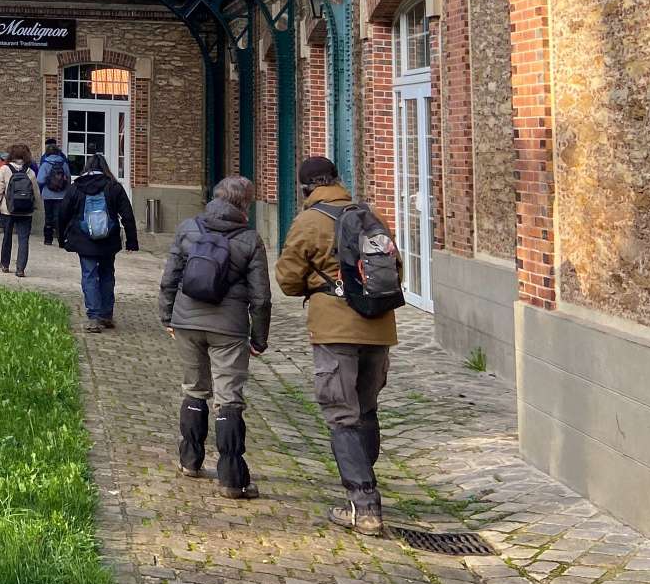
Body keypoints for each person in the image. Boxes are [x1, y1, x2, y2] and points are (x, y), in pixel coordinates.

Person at [275, 154, 399, 536]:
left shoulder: (309, 222)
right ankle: (363, 490)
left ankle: (365, 507)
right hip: (378, 326)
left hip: (335, 329)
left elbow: (287, 279)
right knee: (367, 410)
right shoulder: (371, 215)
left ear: (305, 188)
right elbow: (395, 268)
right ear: (338, 179)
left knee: (342, 415)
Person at [158, 175, 270, 499]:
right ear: (245, 204)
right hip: (229, 329)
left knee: (194, 389)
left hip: (187, 322)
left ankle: (190, 460)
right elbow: (261, 297)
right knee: (228, 398)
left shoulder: (188, 228)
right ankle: (233, 479)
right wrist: (259, 338)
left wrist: (167, 317)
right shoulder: (250, 239)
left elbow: (170, 277)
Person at [56, 150, 138, 331]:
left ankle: (93, 317)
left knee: (89, 275)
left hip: (84, 240)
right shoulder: (114, 187)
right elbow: (127, 215)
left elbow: (63, 213)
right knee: (107, 275)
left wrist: (62, 238)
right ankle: (106, 314)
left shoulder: (77, 187)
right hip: (109, 240)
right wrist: (131, 241)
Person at [0, 142, 36, 276]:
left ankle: (5, 264)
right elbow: (36, 192)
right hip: (26, 211)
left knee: (7, 236)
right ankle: (20, 268)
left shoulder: (4, 169)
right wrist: (36, 207)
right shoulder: (30, 172)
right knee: (23, 239)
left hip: (8, 209)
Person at [37, 139, 73, 246]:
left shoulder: (45, 163)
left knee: (48, 216)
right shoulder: (63, 163)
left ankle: (48, 239)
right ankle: (61, 239)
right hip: (61, 194)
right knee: (59, 217)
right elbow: (69, 178)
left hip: (48, 195)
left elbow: (40, 180)